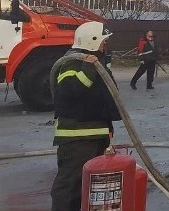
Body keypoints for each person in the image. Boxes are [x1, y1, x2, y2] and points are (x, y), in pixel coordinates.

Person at [50, 21, 121, 211]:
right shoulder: (71, 63)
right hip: (77, 138)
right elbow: (69, 92)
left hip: (95, 134)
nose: (105, 45)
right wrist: (88, 68)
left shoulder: (96, 62)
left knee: (91, 186)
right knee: (69, 186)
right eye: (103, 41)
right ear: (92, 40)